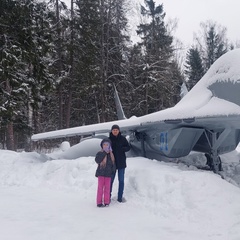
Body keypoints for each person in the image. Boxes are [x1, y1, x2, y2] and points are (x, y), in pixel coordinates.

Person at [109, 124, 131, 202]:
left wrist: (122, 149)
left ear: (119, 131)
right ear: (111, 131)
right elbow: (104, 147)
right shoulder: (109, 140)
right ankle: (108, 197)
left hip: (121, 163)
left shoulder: (122, 139)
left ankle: (120, 197)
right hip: (112, 164)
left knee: (121, 180)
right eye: (114, 130)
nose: (115, 131)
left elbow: (128, 147)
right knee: (110, 180)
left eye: (116, 130)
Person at [95, 138, 115, 207]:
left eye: (107, 145)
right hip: (101, 174)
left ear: (110, 146)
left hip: (108, 175)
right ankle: (99, 202)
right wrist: (104, 153)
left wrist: (113, 171)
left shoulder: (111, 155)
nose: (106, 146)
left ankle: (107, 202)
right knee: (100, 188)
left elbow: (113, 164)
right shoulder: (100, 153)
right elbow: (97, 160)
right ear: (102, 145)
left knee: (107, 189)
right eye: (104, 144)